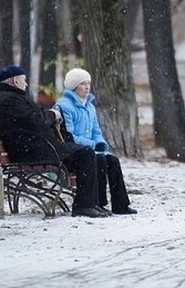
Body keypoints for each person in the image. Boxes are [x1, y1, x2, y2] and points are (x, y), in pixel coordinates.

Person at [0, 65, 109, 218]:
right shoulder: (10, 100)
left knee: (92, 155)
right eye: (24, 80)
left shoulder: (11, 98)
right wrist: (53, 115)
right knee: (85, 153)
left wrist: (50, 117)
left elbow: (32, 119)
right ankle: (84, 206)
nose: (26, 84)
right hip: (32, 151)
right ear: (15, 81)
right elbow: (34, 121)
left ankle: (93, 204)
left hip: (35, 147)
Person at [54, 68, 137, 215]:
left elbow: (96, 131)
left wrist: (100, 144)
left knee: (112, 160)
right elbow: (69, 136)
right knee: (100, 160)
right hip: (74, 152)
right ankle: (98, 203)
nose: (87, 87)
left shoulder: (90, 107)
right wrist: (92, 145)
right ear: (73, 87)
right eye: (82, 84)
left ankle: (121, 205)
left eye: (88, 83)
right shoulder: (64, 106)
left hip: (90, 150)